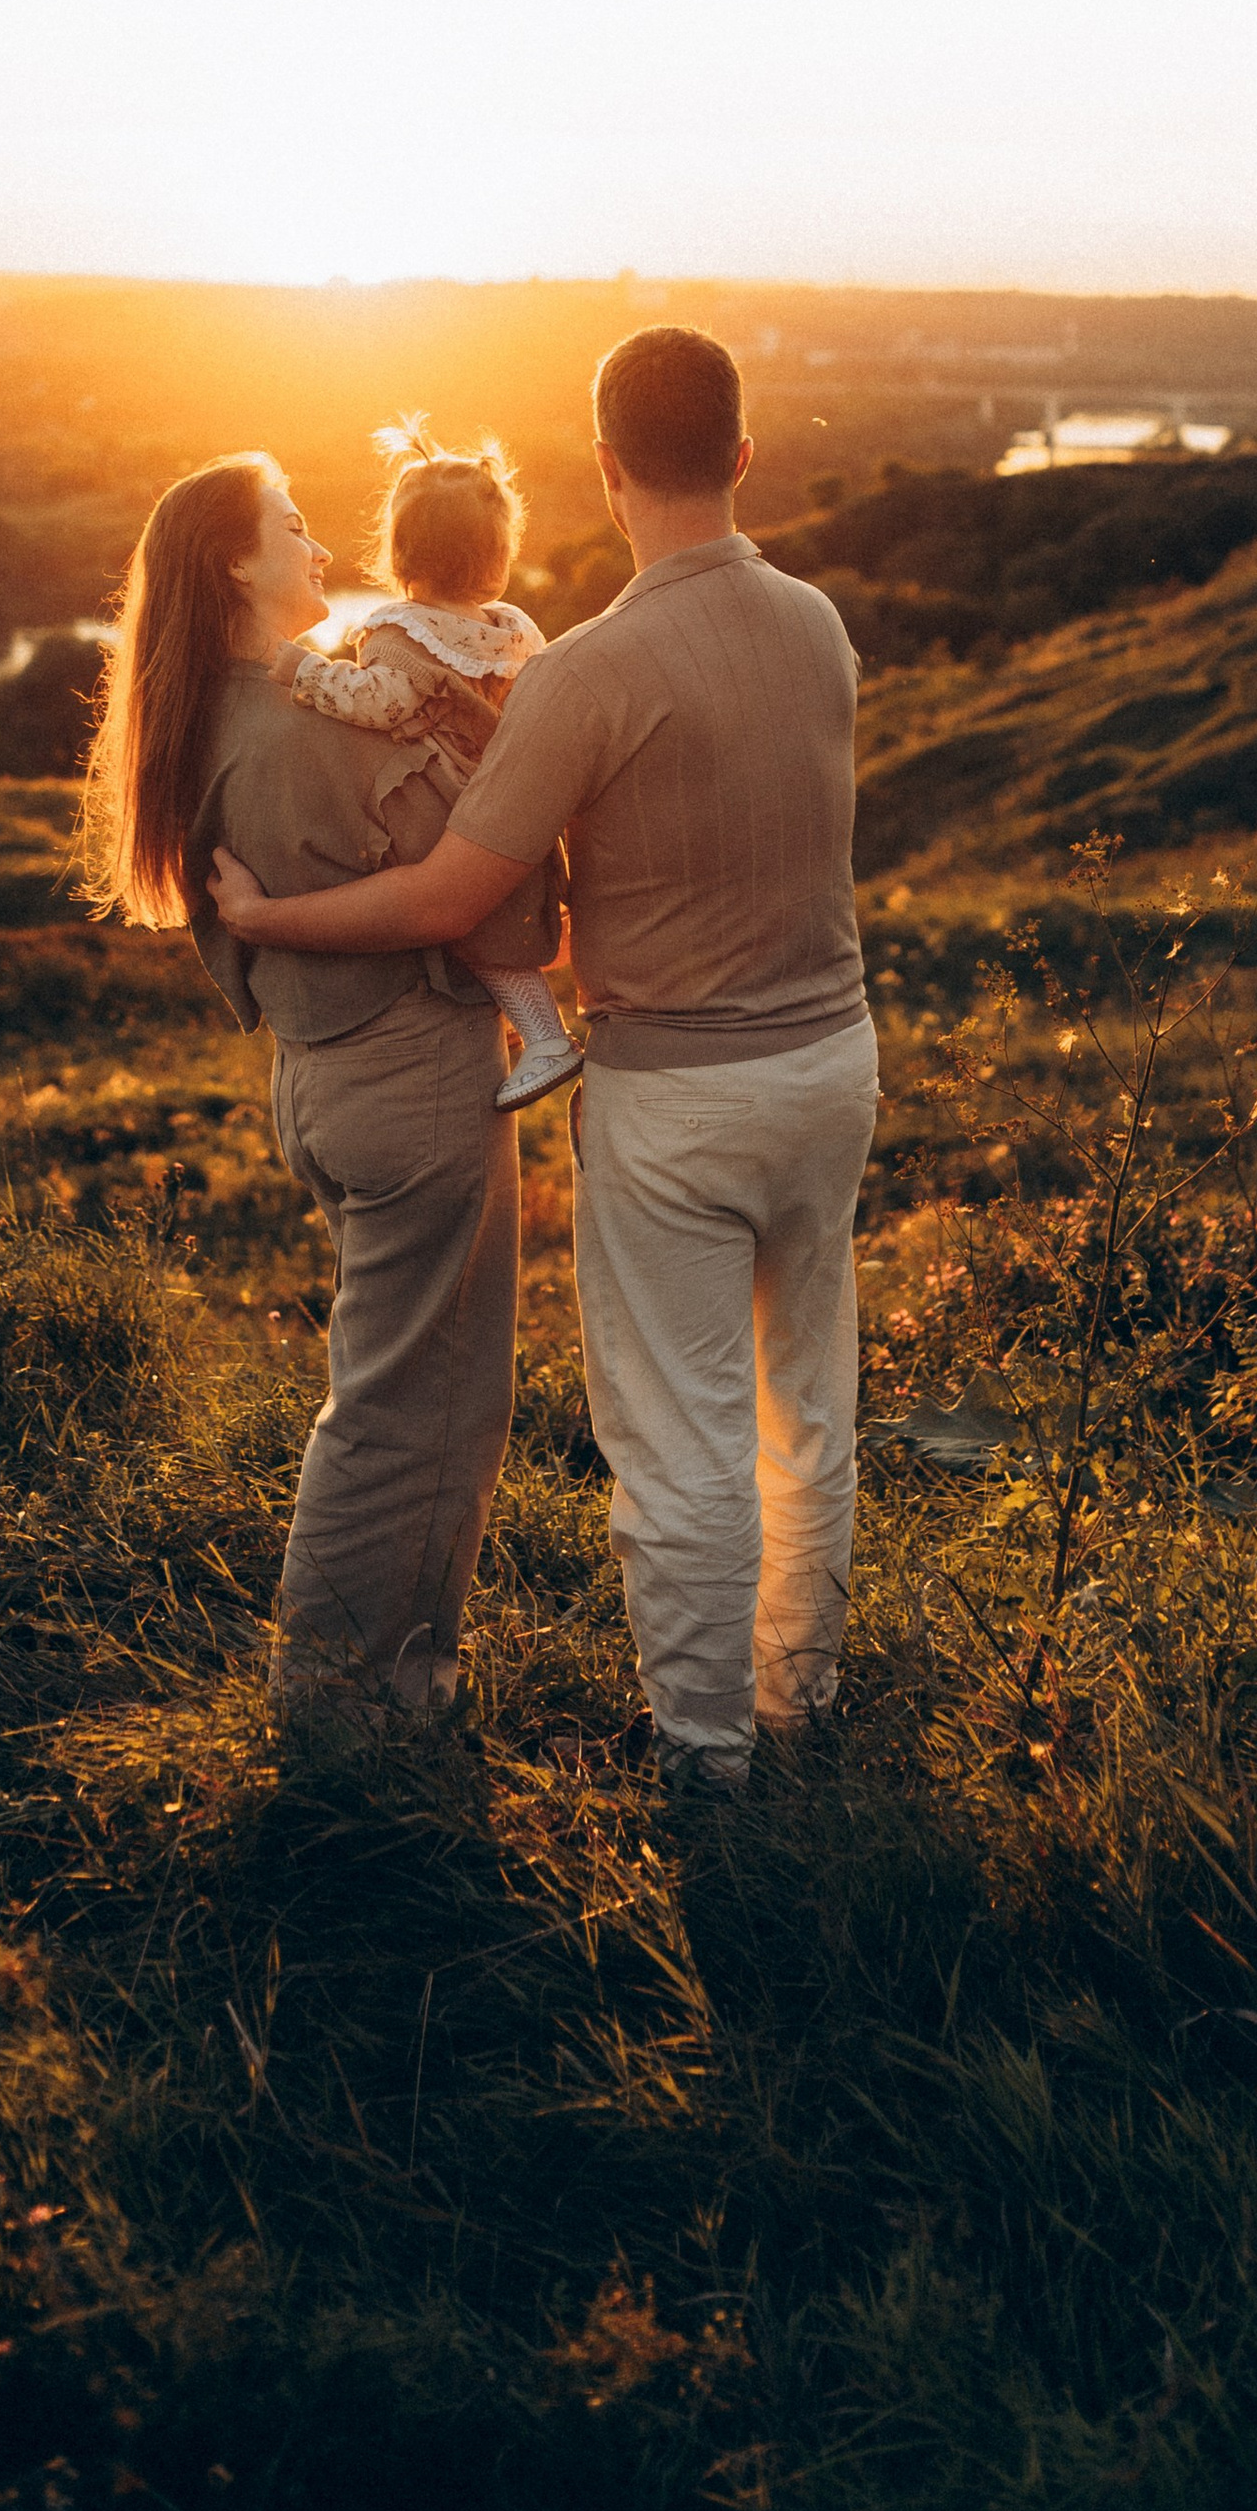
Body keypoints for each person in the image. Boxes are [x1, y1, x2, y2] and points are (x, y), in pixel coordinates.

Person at [210, 326, 878, 1800]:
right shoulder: (822, 626)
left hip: (680, 1096)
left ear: (605, 469)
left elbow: (453, 899)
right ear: (744, 459)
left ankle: (706, 1754)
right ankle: (805, 1697)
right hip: (834, 1063)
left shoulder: (590, 672)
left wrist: (269, 917)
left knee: (681, 1428)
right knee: (806, 1402)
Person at [80, 451, 519, 1728]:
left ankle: (403, 1681)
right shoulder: (298, 730)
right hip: (408, 1075)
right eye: (292, 525)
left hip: (338, 1081)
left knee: (426, 1394)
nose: (320, 545)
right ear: (234, 560)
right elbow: (466, 880)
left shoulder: (230, 708)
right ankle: (337, 1709)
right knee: (409, 1409)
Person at [277, 423, 584, 1111]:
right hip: (521, 804)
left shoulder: (402, 634)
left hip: (456, 812)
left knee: (473, 929)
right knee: (500, 928)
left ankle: (545, 1039)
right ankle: (521, 1026)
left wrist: (305, 671)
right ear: (497, 553)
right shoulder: (512, 628)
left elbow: (378, 704)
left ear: (399, 548)